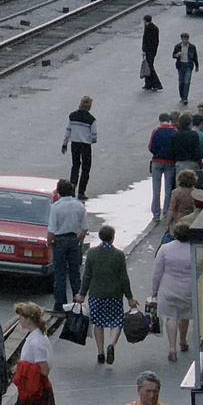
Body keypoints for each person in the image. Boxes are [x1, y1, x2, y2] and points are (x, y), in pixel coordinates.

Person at [75, 225, 138, 365]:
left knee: (98, 323)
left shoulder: (91, 253)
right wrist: (130, 298)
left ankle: (100, 352)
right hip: (114, 295)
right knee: (116, 321)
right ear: (113, 237)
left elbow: (87, 276)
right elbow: (124, 278)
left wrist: (82, 294)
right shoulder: (119, 255)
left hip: (96, 294)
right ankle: (111, 345)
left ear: (100, 237)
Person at [151, 223, 194, 362]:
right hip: (188, 289)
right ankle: (182, 341)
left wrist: (155, 290)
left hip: (169, 288)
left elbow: (157, 272)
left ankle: (172, 348)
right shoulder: (193, 249)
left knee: (171, 317)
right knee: (184, 315)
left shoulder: (165, 249)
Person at [47, 180, 88, 313]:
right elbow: (85, 228)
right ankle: (77, 304)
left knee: (59, 273)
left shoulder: (56, 207)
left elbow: (51, 230)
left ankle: (60, 305)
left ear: (58, 192)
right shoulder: (79, 205)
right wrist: (78, 240)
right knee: (75, 273)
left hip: (60, 240)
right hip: (72, 239)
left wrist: (49, 243)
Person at [60, 95, 97, 200]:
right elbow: (94, 136)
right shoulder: (91, 120)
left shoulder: (72, 116)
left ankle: (72, 190)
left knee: (75, 166)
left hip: (74, 144)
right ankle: (81, 192)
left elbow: (68, 130)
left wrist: (64, 143)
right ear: (89, 106)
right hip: (86, 145)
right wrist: (91, 139)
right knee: (86, 168)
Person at [148, 113, 177, 220]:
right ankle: (166, 213)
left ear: (160, 120)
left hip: (157, 161)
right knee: (168, 189)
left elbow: (151, 147)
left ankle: (156, 214)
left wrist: (156, 153)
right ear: (169, 120)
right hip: (170, 161)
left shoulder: (156, 131)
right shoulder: (174, 131)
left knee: (156, 189)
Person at [165, 170, 200, 237]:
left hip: (179, 219)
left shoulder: (175, 192)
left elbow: (171, 209)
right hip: (192, 218)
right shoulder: (196, 193)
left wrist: (167, 224)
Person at [170, 34, 199, 106]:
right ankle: (182, 96)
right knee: (181, 81)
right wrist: (177, 55)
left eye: (185, 39)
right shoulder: (178, 46)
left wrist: (196, 65)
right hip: (180, 65)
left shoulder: (192, 47)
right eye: (183, 39)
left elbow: (195, 57)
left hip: (188, 65)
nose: (184, 41)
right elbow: (173, 55)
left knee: (187, 81)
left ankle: (185, 97)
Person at [141, 15, 163, 91]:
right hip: (153, 50)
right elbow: (156, 40)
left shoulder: (147, 29)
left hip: (148, 51)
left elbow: (145, 41)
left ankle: (156, 84)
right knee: (148, 65)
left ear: (145, 20)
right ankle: (148, 83)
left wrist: (144, 50)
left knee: (149, 66)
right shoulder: (155, 28)